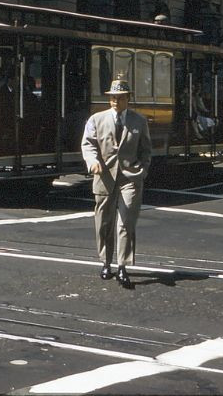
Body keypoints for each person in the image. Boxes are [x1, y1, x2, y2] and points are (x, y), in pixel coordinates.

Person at [81, 77, 151, 289]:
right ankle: (106, 262)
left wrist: (142, 170)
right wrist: (92, 162)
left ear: (128, 99)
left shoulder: (139, 121)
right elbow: (88, 144)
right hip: (104, 177)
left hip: (130, 177)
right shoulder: (96, 119)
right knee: (104, 223)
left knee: (126, 221)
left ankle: (122, 265)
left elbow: (146, 150)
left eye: (120, 98)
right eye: (112, 98)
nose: (115, 101)